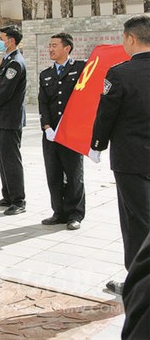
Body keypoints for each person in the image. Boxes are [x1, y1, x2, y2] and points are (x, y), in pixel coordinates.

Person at [91, 15, 150, 297]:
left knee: (137, 222)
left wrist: (97, 144)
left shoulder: (120, 73)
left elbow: (107, 114)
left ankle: (138, 285)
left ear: (130, 38)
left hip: (132, 159)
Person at [38, 32, 86, 230]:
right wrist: (47, 127)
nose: (50, 49)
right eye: (49, 45)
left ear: (67, 48)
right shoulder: (45, 74)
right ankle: (58, 212)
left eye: (54, 45)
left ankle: (75, 214)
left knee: (74, 175)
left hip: (72, 133)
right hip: (51, 133)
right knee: (53, 174)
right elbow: (43, 103)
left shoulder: (81, 69)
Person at [0, 25, 27, 216]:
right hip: (1, 118)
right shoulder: (7, 60)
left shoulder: (15, 63)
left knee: (11, 160)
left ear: (11, 41)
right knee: (2, 159)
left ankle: (19, 200)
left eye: (1, 39)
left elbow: (5, 92)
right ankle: (8, 195)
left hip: (9, 119)